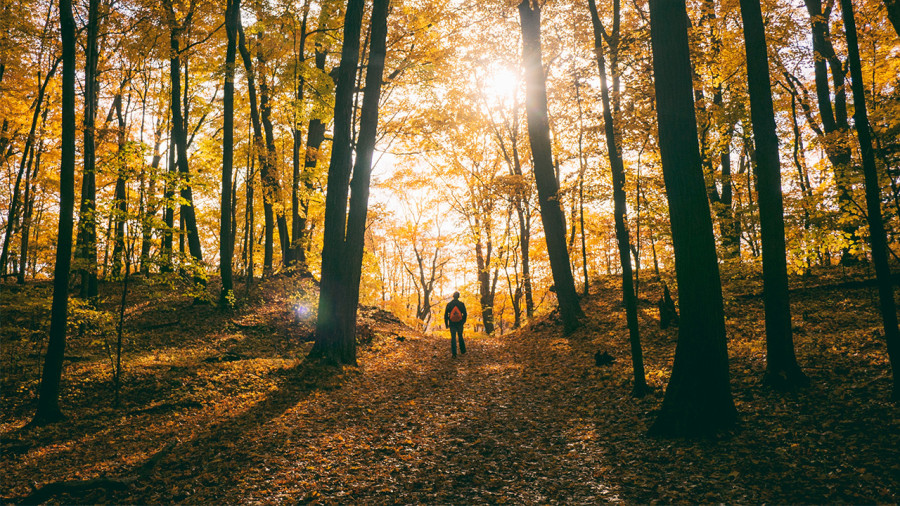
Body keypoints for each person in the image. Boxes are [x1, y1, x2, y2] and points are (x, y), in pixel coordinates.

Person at [444, 291, 467, 357]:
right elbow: (465, 314)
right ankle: (463, 351)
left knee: (453, 338)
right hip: (460, 323)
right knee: (460, 336)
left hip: (452, 323)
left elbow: (446, 315)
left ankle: (454, 353)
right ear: (458, 296)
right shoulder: (461, 304)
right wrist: (463, 321)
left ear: (453, 296)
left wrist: (446, 324)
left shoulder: (449, 304)